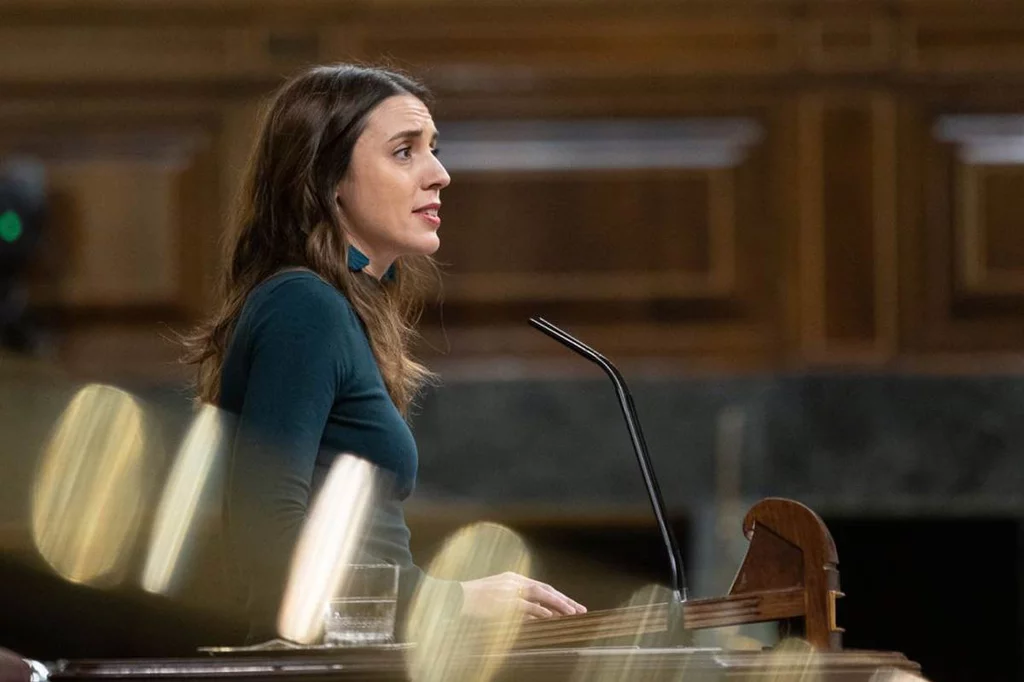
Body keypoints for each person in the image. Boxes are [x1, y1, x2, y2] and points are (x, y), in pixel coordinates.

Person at [183, 63, 585, 643]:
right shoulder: (303, 306)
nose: (440, 174)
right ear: (328, 181)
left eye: (434, 150)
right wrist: (453, 600)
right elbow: (265, 542)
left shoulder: (330, 306)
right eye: (404, 152)